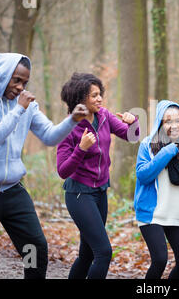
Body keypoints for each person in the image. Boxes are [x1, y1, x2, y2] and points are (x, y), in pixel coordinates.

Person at [0, 53, 88, 279]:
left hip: (12, 191)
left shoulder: (26, 105)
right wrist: (18, 110)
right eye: (16, 80)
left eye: (24, 82)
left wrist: (72, 120)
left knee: (35, 250)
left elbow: (48, 136)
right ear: (1, 75)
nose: (20, 87)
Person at [56, 72, 140, 279]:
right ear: (80, 99)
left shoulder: (104, 116)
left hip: (100, 192)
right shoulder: (69, 128)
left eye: (99, 94)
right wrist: (81, 149)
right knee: (103, 252)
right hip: (79, 194)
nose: (99, 98)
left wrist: (133, 122)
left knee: (87, 255)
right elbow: (62, 171)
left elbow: (132, 136)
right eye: (93, 95)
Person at [134, 100, 179, 279]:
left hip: (177, 215)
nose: (174, 125)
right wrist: (167, 152)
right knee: (159, 260)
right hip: (153, 214)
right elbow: (143, 175)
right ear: (160, 123)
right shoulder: (148, 145)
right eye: (168, 121)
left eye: (178, 120)